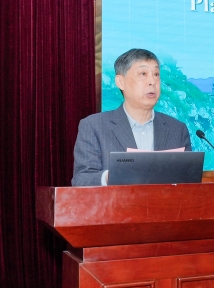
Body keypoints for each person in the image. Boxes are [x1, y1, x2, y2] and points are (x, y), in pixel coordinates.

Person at [72, 48, 191, 186]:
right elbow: (81, 180)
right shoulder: (94, 126)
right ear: (120, 82)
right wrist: (110, 176)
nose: (152, 81)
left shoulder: (177, 129)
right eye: (143, 74)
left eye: (156, 74)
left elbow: (188, 184)